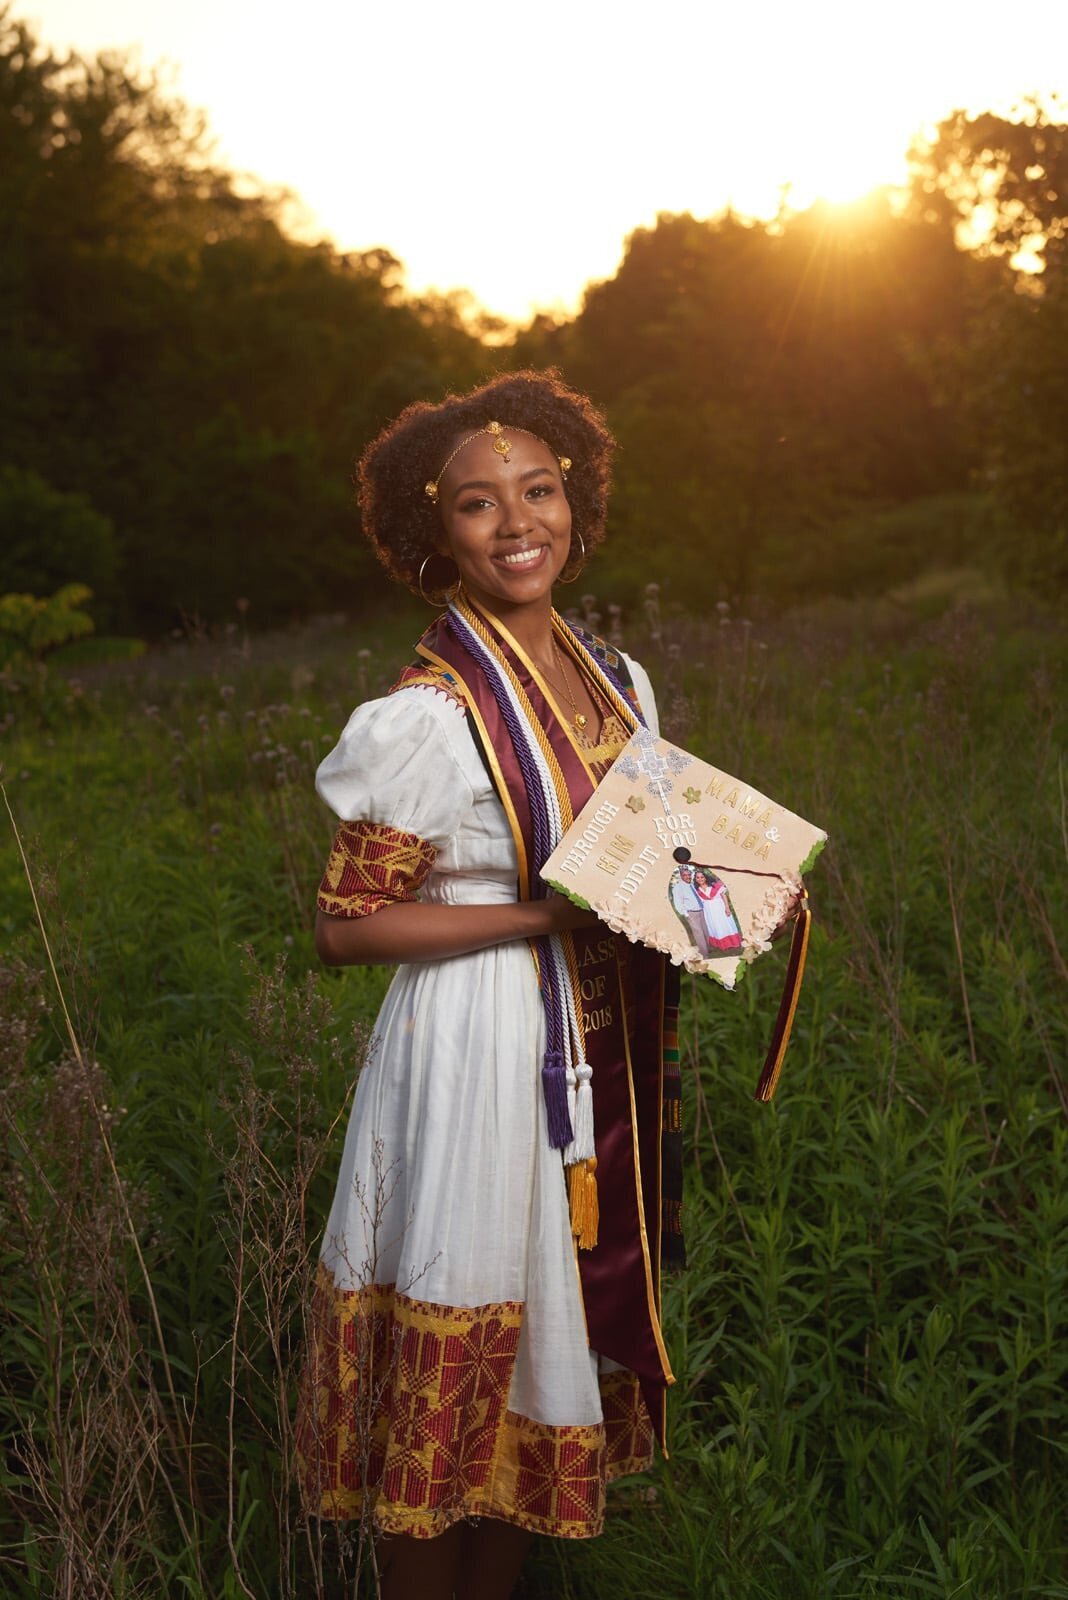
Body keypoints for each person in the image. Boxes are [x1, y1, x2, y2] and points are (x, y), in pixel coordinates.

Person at [296, 370, 682, 1600]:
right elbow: (344, 928)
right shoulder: (424, 714)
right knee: (452, 1355)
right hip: (467, 1056)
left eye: (540, 489)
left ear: (576, 498)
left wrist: (723, 895)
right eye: (478, 503)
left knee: (538, 1360)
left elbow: (648, 860)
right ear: (435, 535)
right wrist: (543, 915)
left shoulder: (618, 679)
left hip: (586, 1054)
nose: (519, 522)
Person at [693, 867, 743, 956]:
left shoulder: (714, 885)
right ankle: (721, 944)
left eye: (702, 877)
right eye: (698, 877)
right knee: (715, 926)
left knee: (725, 924)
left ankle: (733, 942)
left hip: (720, 908)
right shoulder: (696, 891)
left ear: (705, 878)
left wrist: (727, 908)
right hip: (709, 912)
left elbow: (724, 896)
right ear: (695, 879)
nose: (700, 879)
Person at [669, 863, 712, 957]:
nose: (687, 877)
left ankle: (708, 949)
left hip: (701, 910)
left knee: (706, 930)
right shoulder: (678, 887)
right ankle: (704, 954)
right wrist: (686, 914)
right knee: (698, 933)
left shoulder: (692, 885)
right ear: (681, 876)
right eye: (685, 875)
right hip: (691, 913)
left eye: (689, 875)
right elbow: (678, 902)